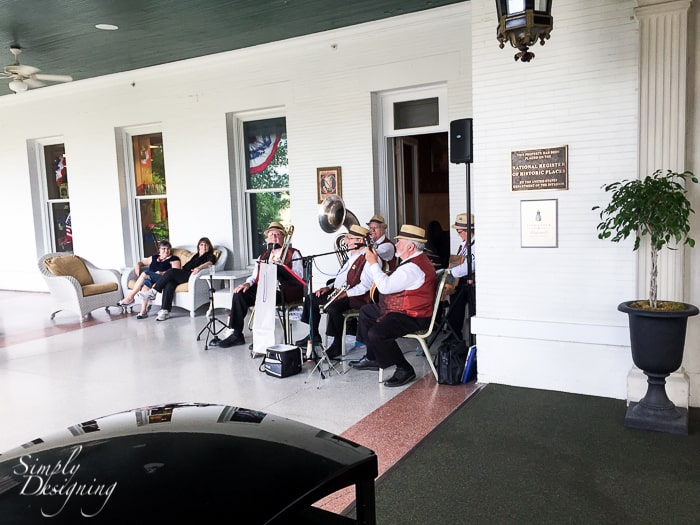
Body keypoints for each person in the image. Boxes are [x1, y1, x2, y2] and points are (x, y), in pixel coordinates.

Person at [352, 224, 437, 387]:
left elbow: (384, 287)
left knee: (377, 333)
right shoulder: (415, 260)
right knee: (366, 311)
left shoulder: (412, 268)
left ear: (410, 246)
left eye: (400, 241)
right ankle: (373, 357)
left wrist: (373, 263)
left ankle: (404, 369)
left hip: (413, 316)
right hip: (404, 310)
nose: (396, 244)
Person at [218, 221, 304, 348]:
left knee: (264, 299)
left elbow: (298, 276)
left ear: (283, 237)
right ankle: (237, 334)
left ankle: (262, 340)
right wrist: (247, 284)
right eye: (271, 234)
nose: (274, 237)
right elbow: (254, 276)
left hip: (284, 290)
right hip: (264, 288)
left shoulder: (293, 253)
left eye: (277, 234)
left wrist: (283, 267)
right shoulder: (263, 255)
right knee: (239, 295)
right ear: (267, 238)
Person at [295, 224, 373, 358]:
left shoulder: (367, 257)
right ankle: (313, 335)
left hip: (356, 297)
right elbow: (341, 277)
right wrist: (329, 287)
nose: (346, 241)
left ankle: (337, 344)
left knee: (333, 308)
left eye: (350, 238)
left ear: (360, 241)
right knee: (310, 298)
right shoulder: (351, 255)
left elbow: (365, 285)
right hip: (341, 292)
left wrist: (344, 293)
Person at [149, 237, 217, 321]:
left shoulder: (210, 256)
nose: (204, 247)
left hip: (192, 275)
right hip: (184, 273)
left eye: (206, 245)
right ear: (198, 246)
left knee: (171, 271)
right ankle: (165, 310)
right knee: (169, 283)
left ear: (209, 247)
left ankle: (153, 291)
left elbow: (210, 263)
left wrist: (199, 267)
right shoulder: (196, 256)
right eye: (202, 244)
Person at [118, 240, 181, 319]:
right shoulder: (154, 257)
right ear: (159, 250)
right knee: (145, 287)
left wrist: (161, 273)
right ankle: (143, 311)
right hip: (151, 278)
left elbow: (175, 272)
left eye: (168, 249)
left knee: (145, 273)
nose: (166, 251)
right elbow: (141, 262)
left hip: (162, 279)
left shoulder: (174, 259)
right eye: (163, 249)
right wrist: (137, 266)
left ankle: (130, 298)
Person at [445, 213, 475, 343]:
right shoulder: (464, 244)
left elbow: (472, 265)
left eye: (460, 231)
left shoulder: (476, 245)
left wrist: (451, 272)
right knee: (450, 303)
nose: (458, 234)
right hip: (458, 282)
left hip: (469, 284)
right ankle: (453, 334)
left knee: (456, 306)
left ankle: (455, 336)